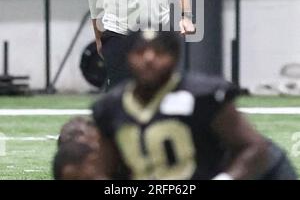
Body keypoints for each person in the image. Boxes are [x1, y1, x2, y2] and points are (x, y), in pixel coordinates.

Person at [91, 29, 298, 180]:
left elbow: (254, 147)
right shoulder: (110, 107)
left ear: (174, 58)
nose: (149, 59)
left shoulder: (203, 96)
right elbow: (106, 169)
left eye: (159, 52)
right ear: (127, 58)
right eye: (140, 52)